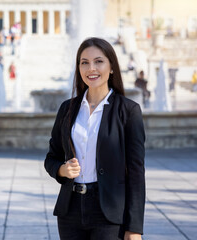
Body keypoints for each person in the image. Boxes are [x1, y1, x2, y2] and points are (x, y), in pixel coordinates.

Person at [45, 37, 145, 240]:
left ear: (111, 68)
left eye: (99, 61)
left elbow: (136, 173)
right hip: (70, 210)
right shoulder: (68, 108)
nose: (91, 68)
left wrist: (134, 228)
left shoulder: (128, 111)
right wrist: (62, 170)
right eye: (85, 62)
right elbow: (51, 157)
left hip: (109, 213)